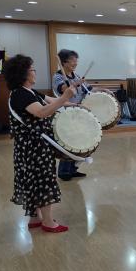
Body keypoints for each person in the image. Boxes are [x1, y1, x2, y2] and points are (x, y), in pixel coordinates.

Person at [5, 54, 77, 233]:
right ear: (23, 73)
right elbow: (42, 112)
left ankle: (35, 218)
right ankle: (48, 222)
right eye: (32, 69)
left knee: (34, 181)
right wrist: (64, 97)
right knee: (43, 180)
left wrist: (75, 105)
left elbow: (51, 101)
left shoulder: (29, 92)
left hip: (32, 145)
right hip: (33, 147)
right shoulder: (20, 94)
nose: (35, 72)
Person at [52, 49, 90, 181]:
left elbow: (89, 90)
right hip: (65, 113)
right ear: (64, 62)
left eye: (76, 60)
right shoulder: (57, 77)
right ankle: (64, 171)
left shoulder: (77, 76)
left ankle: (73, 169)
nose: (75, 63)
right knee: (68, 141)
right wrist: (75, 84)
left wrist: (105, 90)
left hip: (79, 112)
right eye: (72, 60)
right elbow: (64, 90)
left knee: (78, 141)